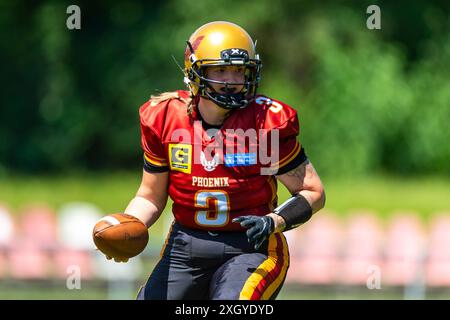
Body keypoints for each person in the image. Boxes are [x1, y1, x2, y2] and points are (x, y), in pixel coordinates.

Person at [107, 21, 325, 300]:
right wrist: (126, 225)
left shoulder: (263, 124)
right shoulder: (166, 118)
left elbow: (312, 192)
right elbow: (150, 196)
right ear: (195, 72)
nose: (232, 81)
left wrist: (274, 221)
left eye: (238, 70)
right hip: (187, 245)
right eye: (221, 70)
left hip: (251, 248)